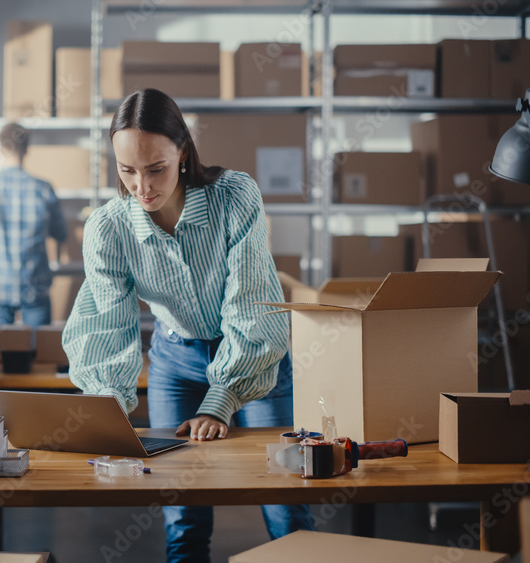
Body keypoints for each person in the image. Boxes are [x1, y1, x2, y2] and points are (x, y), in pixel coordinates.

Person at [62, 88, 315, 562]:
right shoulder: (109, 228)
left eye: (155, 168)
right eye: (126, 170)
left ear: (182, 151)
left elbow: (252, 303)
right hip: (176, 363)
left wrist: (221, 400)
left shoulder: (233, 197)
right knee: (183, 515)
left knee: (286, 502)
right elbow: (106, 327)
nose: (141, 186)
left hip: (257, 359)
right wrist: (109, 418)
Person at [0, 122, 68, 330]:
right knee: (40, 356)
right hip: (34, 285)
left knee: (0, 357)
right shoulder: (44, 189)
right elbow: (61, 234)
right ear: (26, 150)